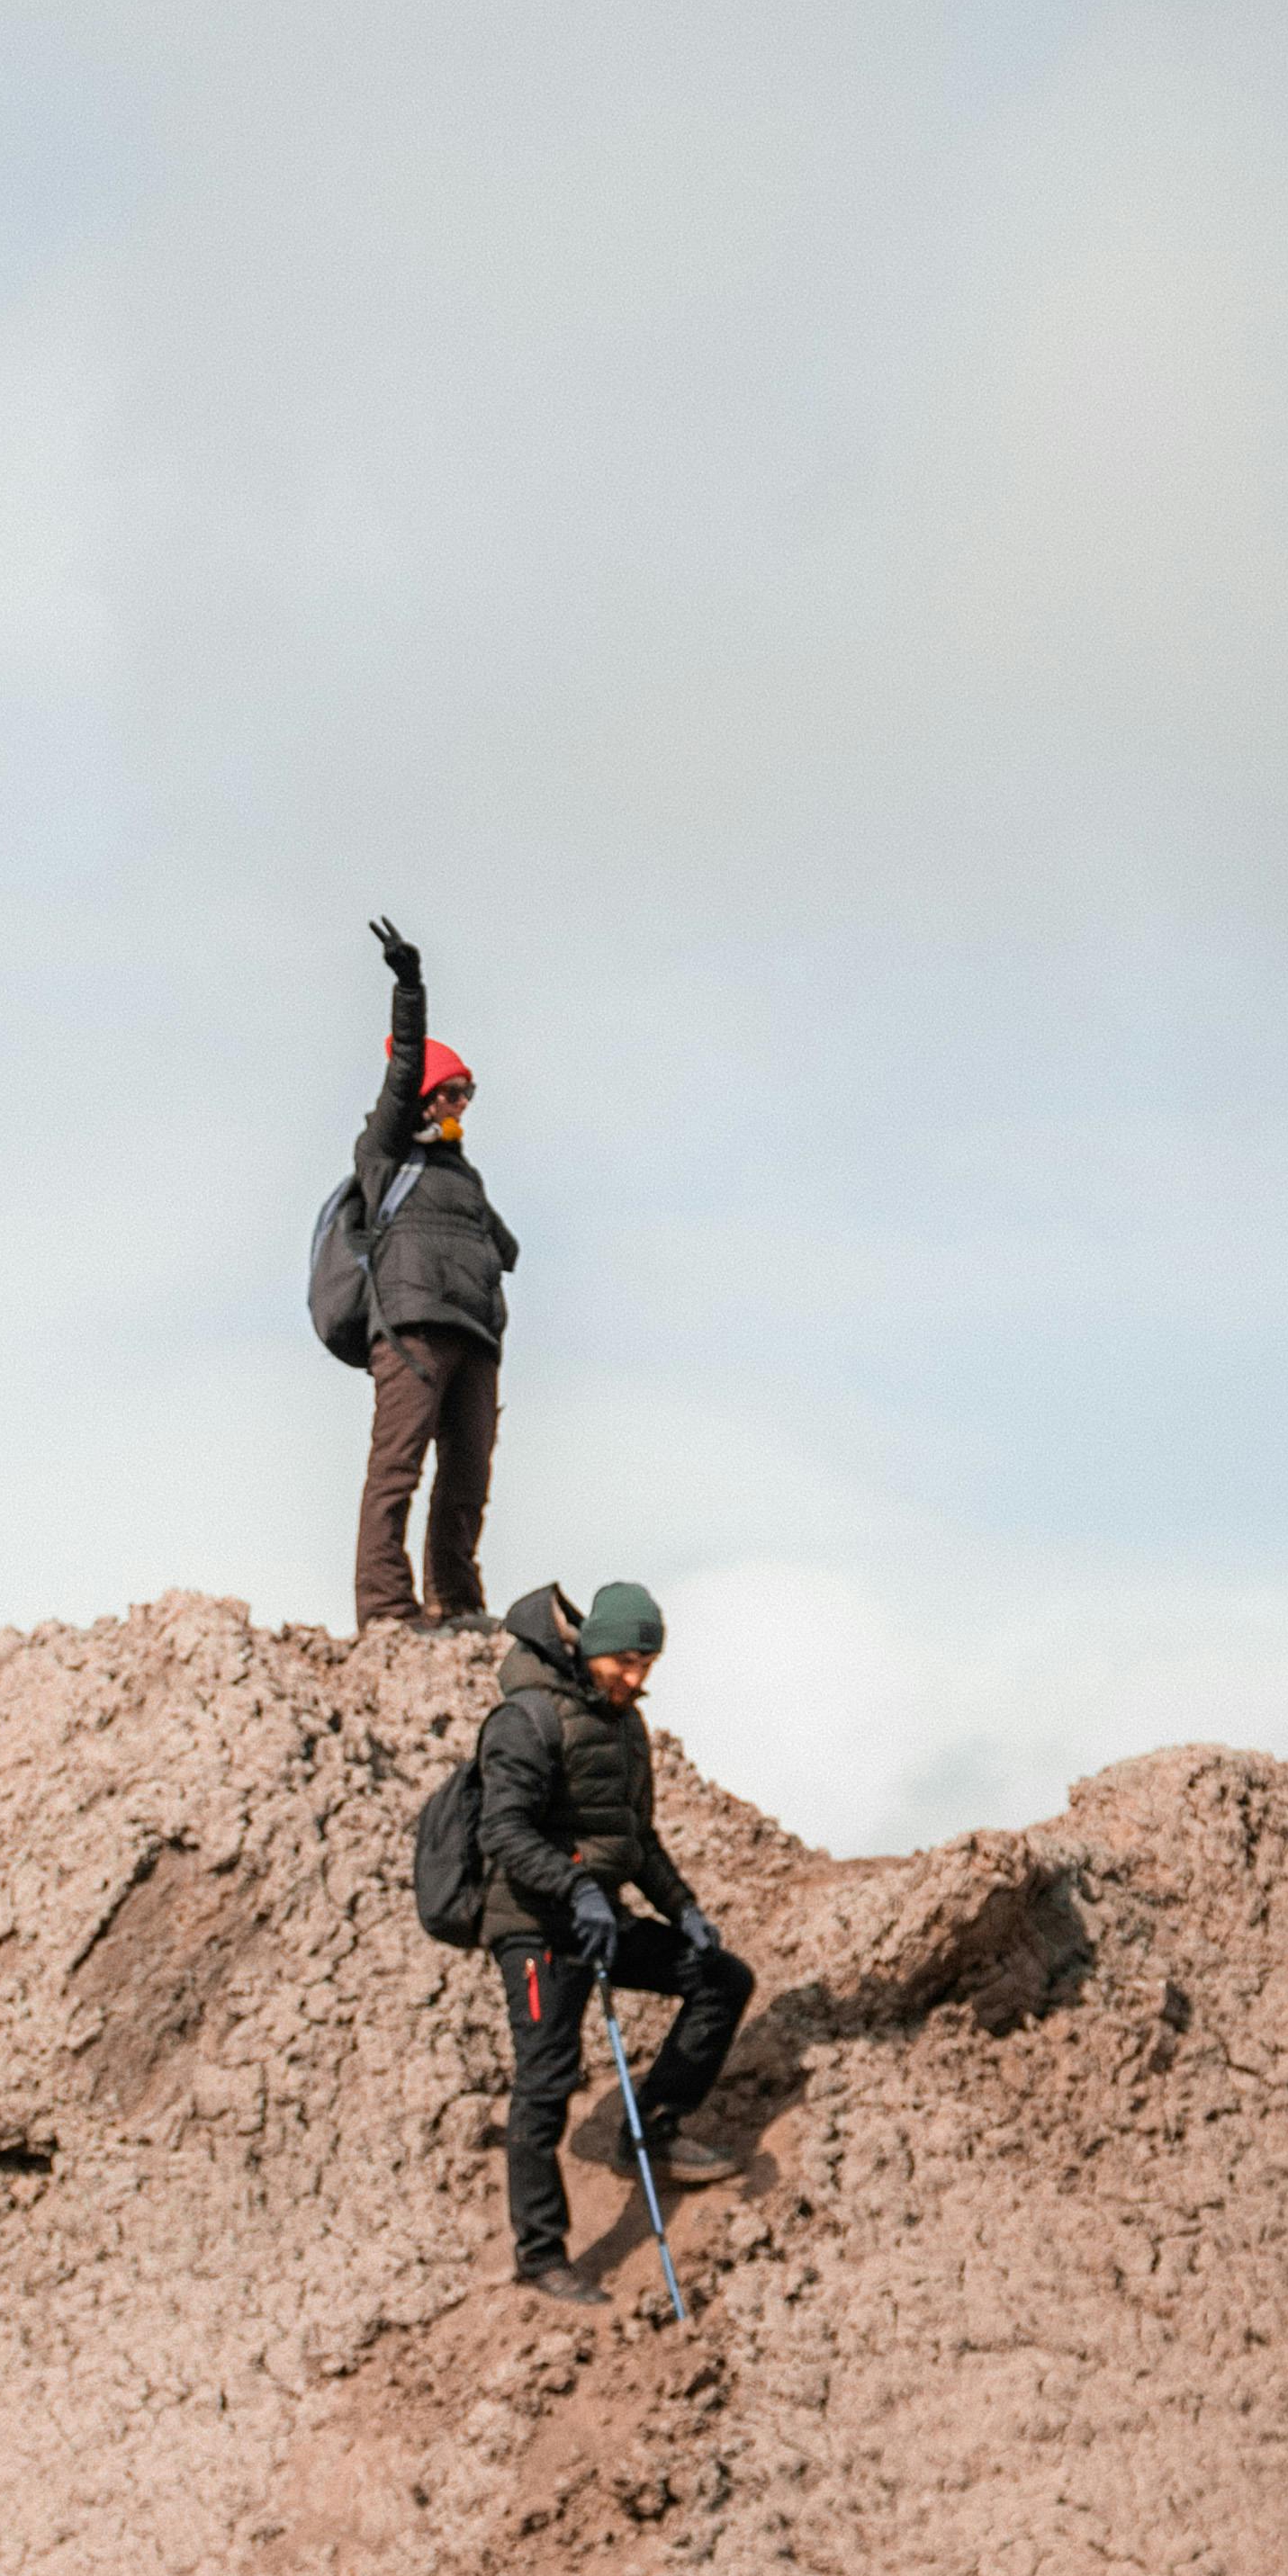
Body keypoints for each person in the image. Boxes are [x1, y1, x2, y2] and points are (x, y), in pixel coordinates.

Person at [476, 1577, 755, 2303]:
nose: (636, 1678)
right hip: (536, 1929)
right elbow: (502, 1831)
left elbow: (636, 1839)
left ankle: (656, 2124)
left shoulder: (625, 1727)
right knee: (545, 2078)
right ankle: (540, 2256)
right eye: (625, 1661)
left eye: (646, 1666)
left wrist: (684, 1908)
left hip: (599, 1917)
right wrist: (575, 1887)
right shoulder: (527, 1719)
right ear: (595, 1648)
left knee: (720, 1977)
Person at [350, 915, 518, 1630]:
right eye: (451, 1092)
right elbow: (402, 1066)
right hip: (413, 1329)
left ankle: (455, 1600)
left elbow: (502, 1247)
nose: (459, 1105)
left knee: (467, 1477)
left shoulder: (463, 1175)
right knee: (397, 1469)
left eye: (467, 1094)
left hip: (474, 1333)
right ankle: (387, 1610)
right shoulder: (385, 1150)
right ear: (423, 1096)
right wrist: (410, 988)